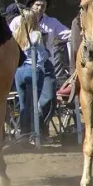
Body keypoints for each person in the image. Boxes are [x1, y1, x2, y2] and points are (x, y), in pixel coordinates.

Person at [10, 9, 56, 137]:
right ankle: (32, 134)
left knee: (23, 105)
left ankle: (24, 133)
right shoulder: (36, 34)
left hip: (19, 71)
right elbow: (42, 56)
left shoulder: (15, 34)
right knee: (32, 105)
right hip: (33, 69)